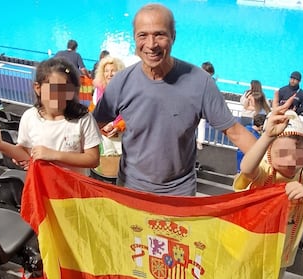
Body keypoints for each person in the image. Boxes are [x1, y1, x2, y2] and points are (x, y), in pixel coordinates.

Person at [93, 4, 257, 196]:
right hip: (131, 190)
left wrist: (275, 169)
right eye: (143, 35)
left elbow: (235, 132)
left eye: (160, 34)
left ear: (173, 37)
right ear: (135, 38)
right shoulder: (122, 82)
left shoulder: (199, 82)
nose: (151, 44)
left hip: (178, 195)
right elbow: (91, 128)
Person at [233, 100, 303, 279]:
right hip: (246, 249)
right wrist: (268, 135)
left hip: (278, 260)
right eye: (282, 155)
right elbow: (246, 169)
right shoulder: (264, 171)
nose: (291, 162)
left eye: (298, 155)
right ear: (269, 153)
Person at [0, 57, 101, 175]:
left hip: (74, 190)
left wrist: (54, 155)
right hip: (43, 187)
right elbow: (26, 153)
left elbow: (93, 159)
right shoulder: (30, 118)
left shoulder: (83, 119)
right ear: (38, 88)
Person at [92, 56, 126, 156]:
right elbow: (94, 111)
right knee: (108, 157)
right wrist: (102, 127)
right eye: (106, 71)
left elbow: (133, 115)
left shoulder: (126, 90)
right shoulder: (98, 90)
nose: (109, 74)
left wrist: (118, 126)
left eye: (113, 71)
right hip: (105, 133)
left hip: (121, 133)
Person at [197, 61, 215, 150]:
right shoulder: (209, 82)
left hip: (200, 107)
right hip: (199, 106)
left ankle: (200, 141)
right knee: (200, 125)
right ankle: (199, 142)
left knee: (201, 124)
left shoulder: (196, 78)